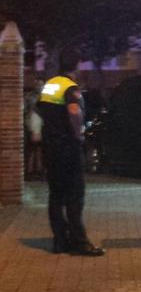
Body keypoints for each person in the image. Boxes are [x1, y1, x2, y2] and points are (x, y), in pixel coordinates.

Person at [36, 56, 104, 256]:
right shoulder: (70, 87)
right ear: (77, 66)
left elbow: (40, 110)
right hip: (68, 147)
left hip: (50, 148)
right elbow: (74, 111)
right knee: (75, 195)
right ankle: (79, 243)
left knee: (56, 195)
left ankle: (60, 242)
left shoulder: (50, 85)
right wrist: (78, 134)